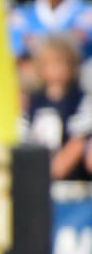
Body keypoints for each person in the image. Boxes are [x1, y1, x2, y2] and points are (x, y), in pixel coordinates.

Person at [21, 34, 92, 182]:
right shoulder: (33, 101)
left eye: (60, 62)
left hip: (73, 183)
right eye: (49, 63)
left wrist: (53, 172)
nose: (55, 69)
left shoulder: (80, 100)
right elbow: (23, 138)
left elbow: (78, 142)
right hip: (37, 176)